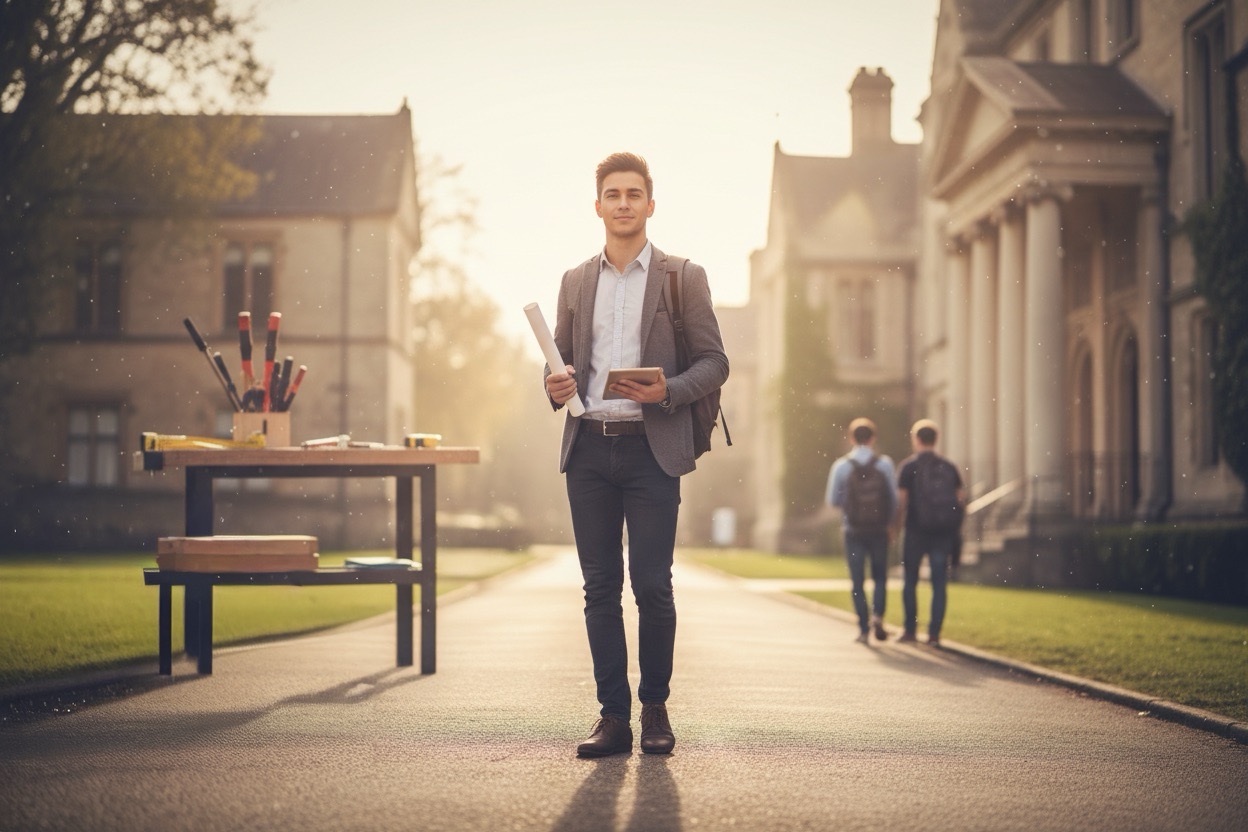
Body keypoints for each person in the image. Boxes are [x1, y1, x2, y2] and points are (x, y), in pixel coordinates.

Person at [544, 152, 729, 758]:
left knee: (652, 586)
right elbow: (561, 365)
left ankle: (654, 710)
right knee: (600, 589)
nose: (622, 203)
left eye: (633, 194)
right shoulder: (574, 281)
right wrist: (554, 384)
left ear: (651, 204)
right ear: (597, 204)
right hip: (590, 449)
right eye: (612, 194)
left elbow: (715, 363)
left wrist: (669, 390)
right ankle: (612, 717)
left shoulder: (684, 276)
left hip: (654, 451)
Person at [825, 417, 897, 644]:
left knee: (857, 580)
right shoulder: (884, 464)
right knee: (879, 577)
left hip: (853, 529)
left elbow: (832, 500)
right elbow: (893, 500)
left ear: (851, 438)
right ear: (873, 438)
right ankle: (878, 616)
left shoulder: (842, 465)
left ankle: (863, 629)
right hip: (878, 529)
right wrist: (889, 523)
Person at [893, 419, 964, 647]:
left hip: (915, 530)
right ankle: (934, 634)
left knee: (910, 581)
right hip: (943, 533)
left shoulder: (908, 467)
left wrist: (896, 528)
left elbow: (901, 502)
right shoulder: (949, 467)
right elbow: (960, 499)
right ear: (936, 439)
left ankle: (910, 631)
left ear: (916, 439)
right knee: (939, 583)